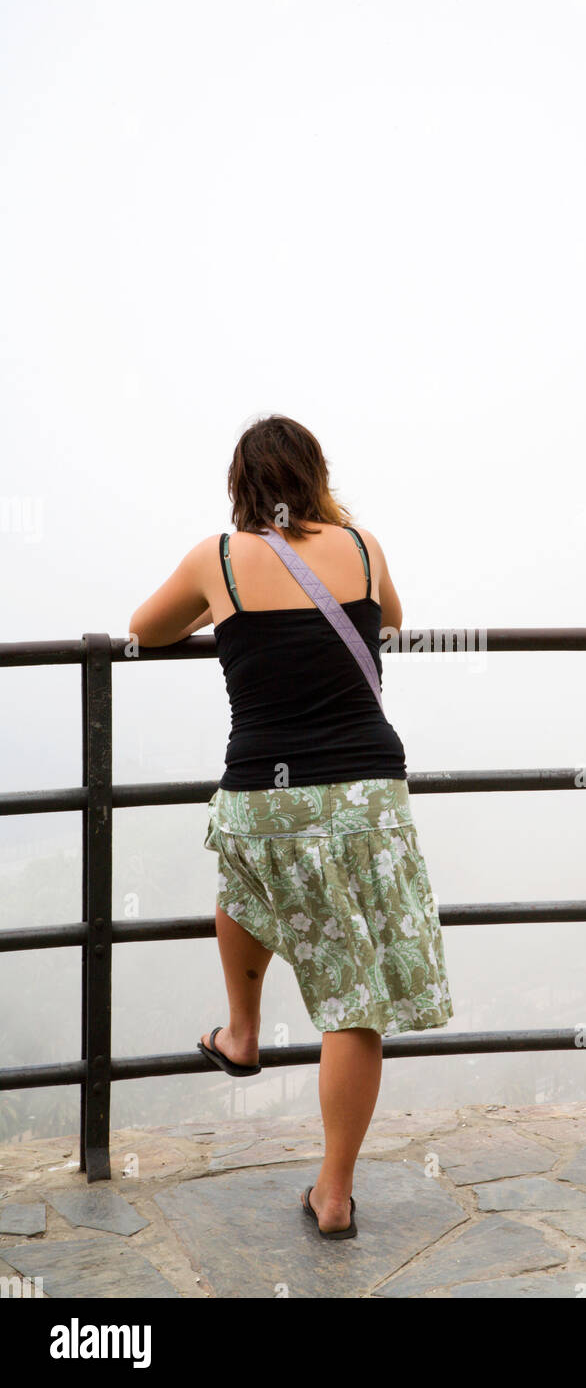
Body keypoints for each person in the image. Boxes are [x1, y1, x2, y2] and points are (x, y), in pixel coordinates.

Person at [128, 414, 453, 1238]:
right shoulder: (366, 548)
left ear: (241, 486)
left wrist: (227, 617)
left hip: (265, 800)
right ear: (316, 476)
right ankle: (334, 1194)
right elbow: (390, 624)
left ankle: (241, 1030)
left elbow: (145, 629)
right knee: (353, 998)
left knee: (243, 881)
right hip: (368, 796)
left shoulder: (221, 559)